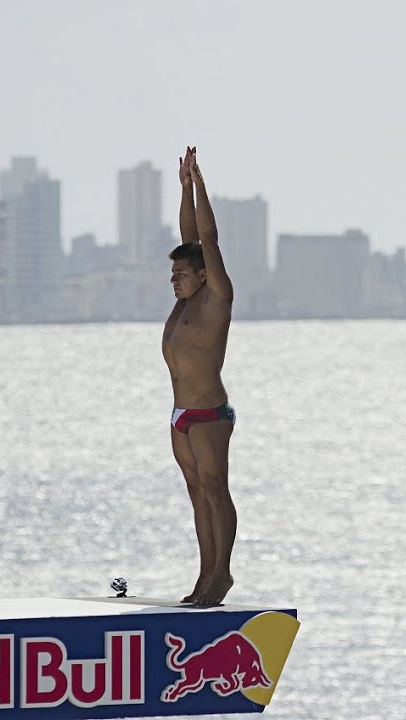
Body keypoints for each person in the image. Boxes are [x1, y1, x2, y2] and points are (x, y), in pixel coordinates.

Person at [163, 145, 238, 606]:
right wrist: (184, 188)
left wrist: (202, 185)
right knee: (196, 494)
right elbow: (190, 239)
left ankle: (222, 575)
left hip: (209, 414)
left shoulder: (215, 300)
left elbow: (206, 242)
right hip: (179, 415)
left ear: (203, 276)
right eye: (171, 273)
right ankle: (204, 575)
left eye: (181, 273)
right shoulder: (185, 303)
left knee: (215, 490)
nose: (174, 279)